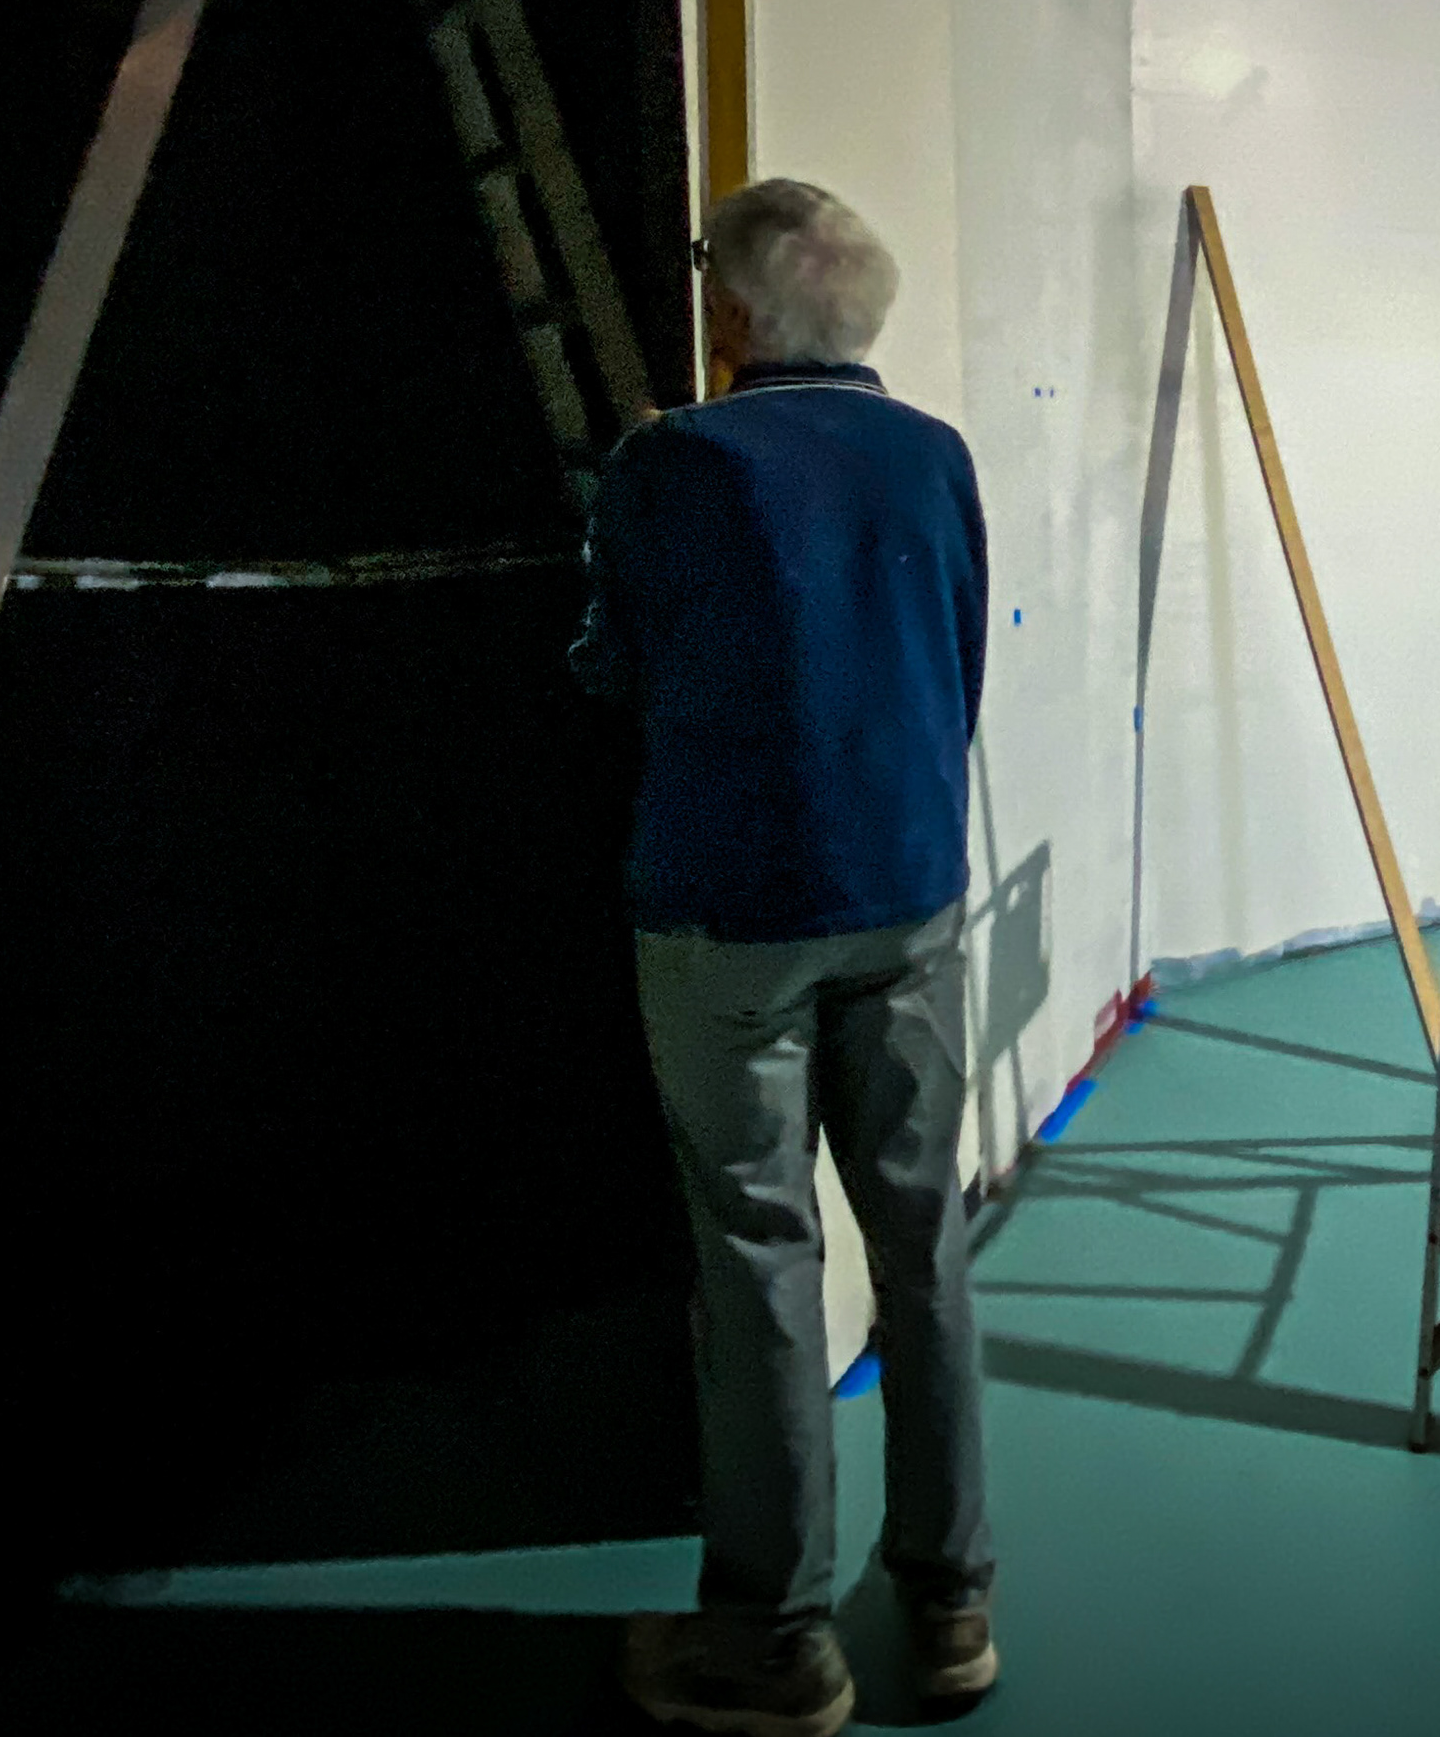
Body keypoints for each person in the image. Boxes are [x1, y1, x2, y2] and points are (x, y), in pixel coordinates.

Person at [573, 178, 998, 1737]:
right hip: (910, 899)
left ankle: (772, 1644)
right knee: (924, 1246)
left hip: (728, 916)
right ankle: (951, 1607)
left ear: (736, 313)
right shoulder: (937, 455)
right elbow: (958, 664)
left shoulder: (673, 462)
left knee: (759, 1259)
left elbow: (609, 667)